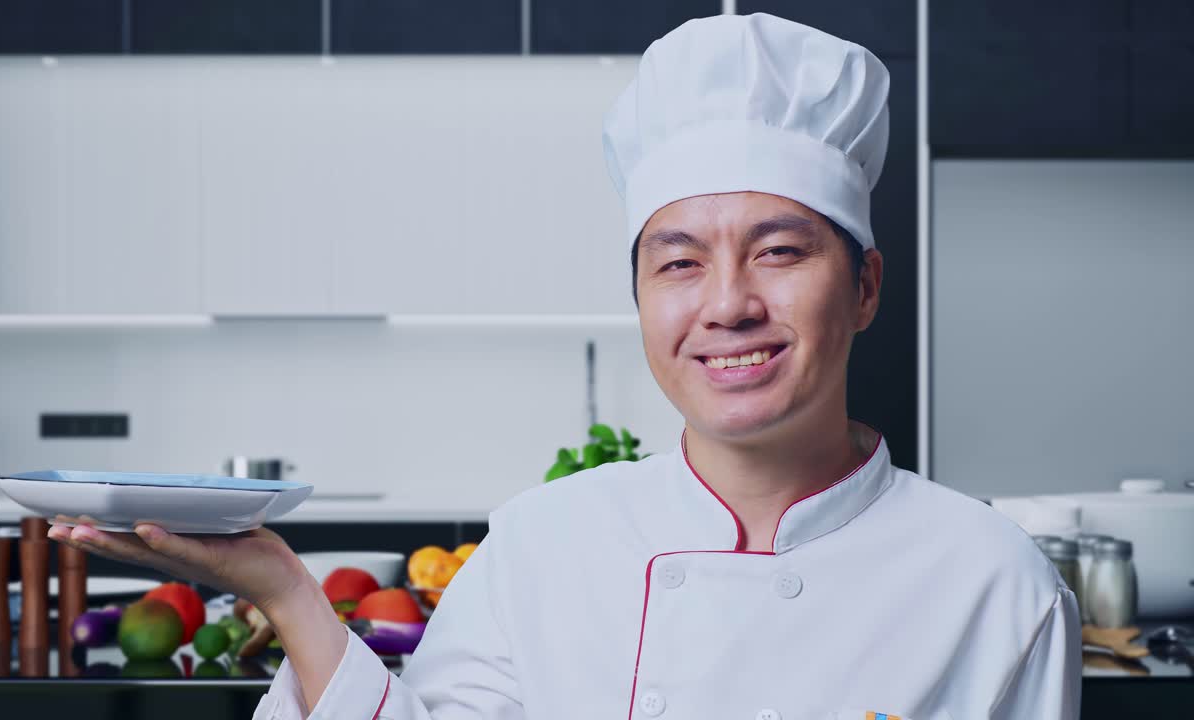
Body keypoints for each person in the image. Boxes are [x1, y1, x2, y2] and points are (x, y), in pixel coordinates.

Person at [52, 13, 1081, 719]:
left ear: (861, 287)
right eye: (678, 262)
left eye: (777, 251)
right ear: (639, 299)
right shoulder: (545, 543)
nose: (725, 302)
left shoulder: (992, 582)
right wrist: (284, 590)